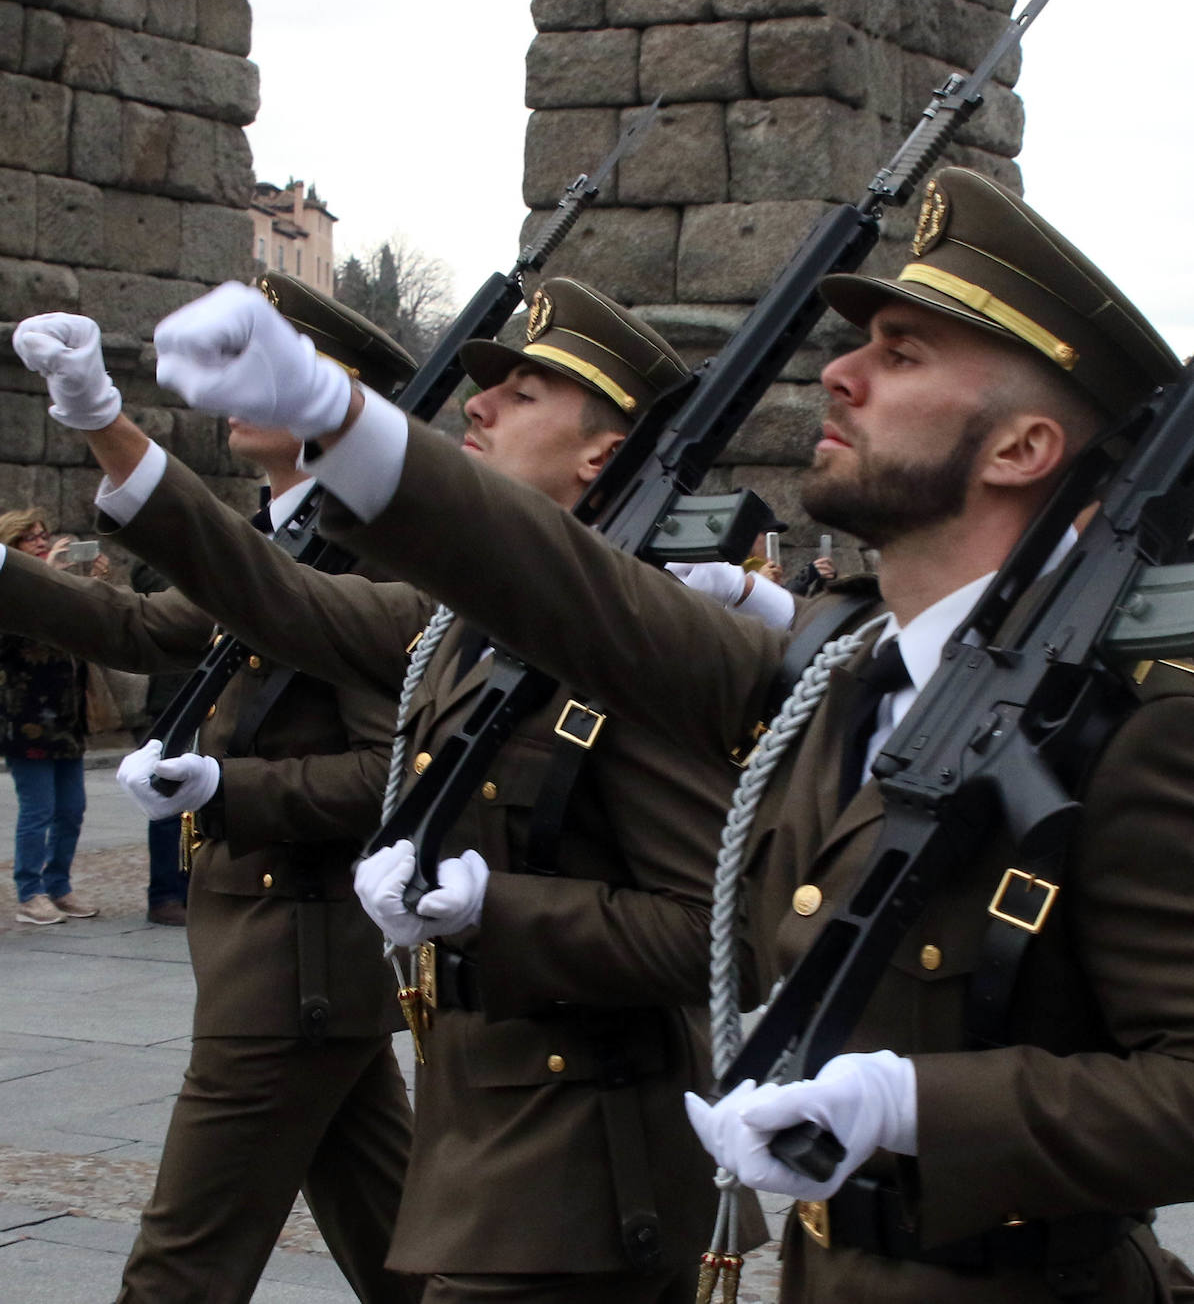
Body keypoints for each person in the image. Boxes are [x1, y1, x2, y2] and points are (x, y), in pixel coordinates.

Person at [142, 168, 1194, 1303]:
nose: (838, 375)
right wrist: (336, 420)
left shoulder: (1135, 727)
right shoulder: (838, 671)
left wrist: (915, 1107)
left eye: (901, 354)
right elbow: (566, 591)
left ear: (1023, 448)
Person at [13, 276, 764, 1304]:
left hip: (589, 1173)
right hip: (486, 1152)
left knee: (188, 1257)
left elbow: (715, 934)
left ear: (603, 452)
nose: (478, 406)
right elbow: (270, 597)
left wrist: (502, 912)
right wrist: (103, 423)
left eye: (527, 392)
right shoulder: (456, 621)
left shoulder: (648, 655)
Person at [4, 310, 422, 1303]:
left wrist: (233, 787)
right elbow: (143, 625)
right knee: (407, 1256)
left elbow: (391, 776)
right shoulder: (279, 537)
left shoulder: (373, 561)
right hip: (283, 962)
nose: (237, 389)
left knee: (180, 1271)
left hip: (295, 969)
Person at [0, 509, 98, 924]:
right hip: (26, 719)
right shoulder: (10, 590)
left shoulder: (59, 584)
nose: (41, 543)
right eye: (30, 538)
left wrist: (92, 584)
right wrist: (50, 575)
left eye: (43, 535)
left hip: (66, 716)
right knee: (37, 809)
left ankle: (58, 884)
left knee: (72, 807)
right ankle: (29, 892)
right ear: (12, 546)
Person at [127, 559, 189, 926]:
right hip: (173, 697)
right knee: (166, 793)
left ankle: (188, 887)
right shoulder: (158, 557)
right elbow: (152, 584)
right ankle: (165, 894)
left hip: (206, 693)